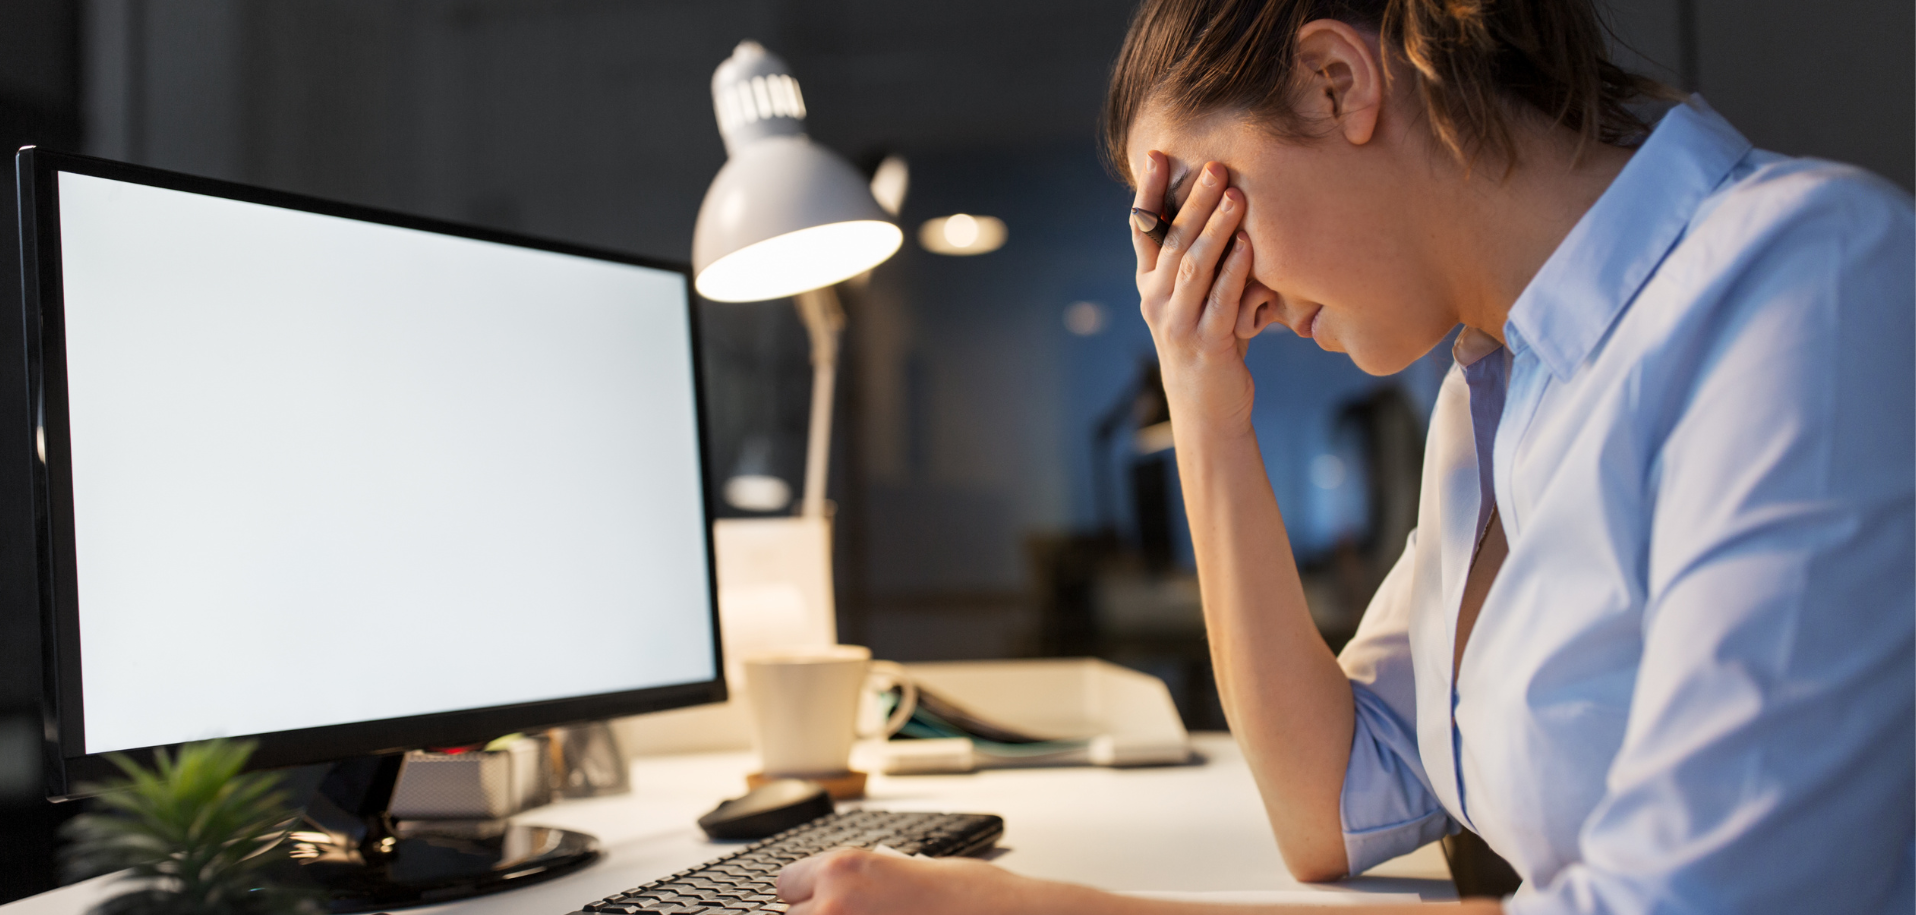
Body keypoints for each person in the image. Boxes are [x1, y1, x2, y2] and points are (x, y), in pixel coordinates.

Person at [773, 0, 1916, 911]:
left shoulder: (1804, 281)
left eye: (1194, 208)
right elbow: (1332, 805)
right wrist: (1202, 402)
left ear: (1337, 81)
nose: (1211, 280)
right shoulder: (1497, 390)